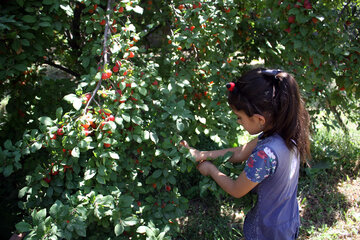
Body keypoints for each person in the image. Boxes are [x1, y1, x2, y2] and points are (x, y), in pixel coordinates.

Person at [180, 68, 311, 240]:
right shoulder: (286, 134)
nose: (238, 122)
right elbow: (239, 153)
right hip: (287, 222)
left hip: (266, 232)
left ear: (259, 119)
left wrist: (211, 170)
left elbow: (236, 189)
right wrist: (201, 154)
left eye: (240, 117)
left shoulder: (264, 155)